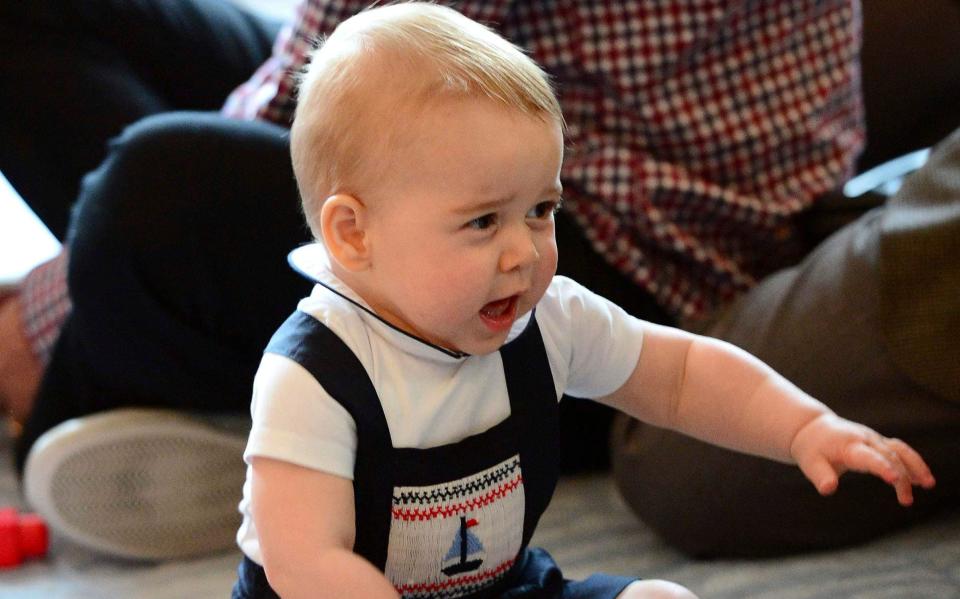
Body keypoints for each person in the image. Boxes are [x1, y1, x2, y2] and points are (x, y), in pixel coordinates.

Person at [0, 0, 956, 563]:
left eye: (537, 221)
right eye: (508, 226)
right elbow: (336, 101)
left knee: (154, 193)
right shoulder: (356, 329)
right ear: (347, 236)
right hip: (509, 136)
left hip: (647, 236)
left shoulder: (545, 298)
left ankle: (143, 396)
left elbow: (675, 370)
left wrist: (804, 424)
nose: (527, 256)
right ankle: (302, 463)